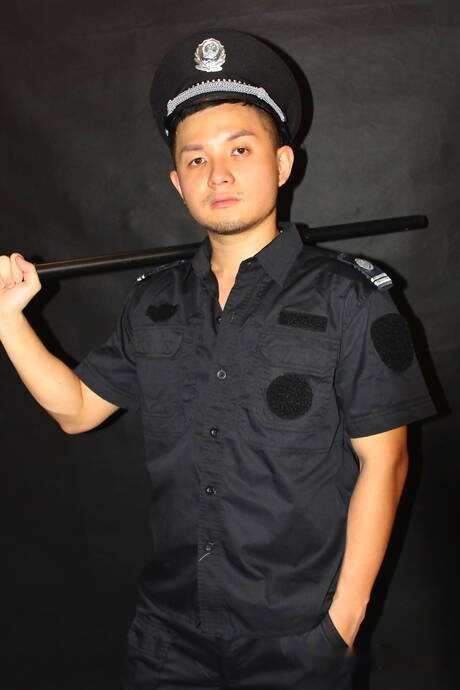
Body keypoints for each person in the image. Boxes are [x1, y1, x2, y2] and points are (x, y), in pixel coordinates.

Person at [0, 28, 435, 690]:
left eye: (240, 148)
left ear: (282, 164)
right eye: (196, 159)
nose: (219, 173)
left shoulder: (352, 298)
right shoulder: (156, 301)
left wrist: (343, 622)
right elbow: (78, 410)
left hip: (299, 636)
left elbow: (387, 462)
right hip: (170, 634)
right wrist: (7, 321)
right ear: (178, 183)